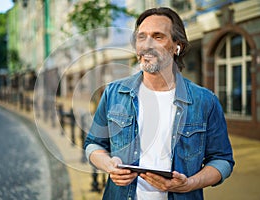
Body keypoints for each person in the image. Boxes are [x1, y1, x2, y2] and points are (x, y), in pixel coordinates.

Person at [84, 7, 234, 200]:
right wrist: (108, 165)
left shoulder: (205, 101)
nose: (147, 45)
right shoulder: (113, 93)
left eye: (158, 37)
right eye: (141, 37)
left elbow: (222, 160)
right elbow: (93, 144)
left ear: (176, 46)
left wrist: (189, 184)